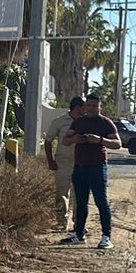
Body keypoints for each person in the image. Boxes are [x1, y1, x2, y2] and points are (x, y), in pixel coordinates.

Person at [61, 95, 122, 249]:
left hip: (97, 167)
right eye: (88, 105)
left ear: (100, 106)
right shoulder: (79, 122)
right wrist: (75, 139)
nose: (91, 108)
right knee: (81, 202)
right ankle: (79, 234)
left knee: (101, 202)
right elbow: (65, 141)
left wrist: (100, 140)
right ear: (84, 107)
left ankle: (106, 237)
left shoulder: (106, 123)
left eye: (94, 105)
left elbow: (117, 144)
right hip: (80, 167)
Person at [43, 97, 83, 230]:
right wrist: (50, 160)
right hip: (63, 162)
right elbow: (48, 141)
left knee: (80, 194)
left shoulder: (86, 122)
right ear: (77, 107)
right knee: (61, 192)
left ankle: (79, 223)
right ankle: (61, 221)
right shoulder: (59, 121)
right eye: (84, 106)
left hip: (82, 163)